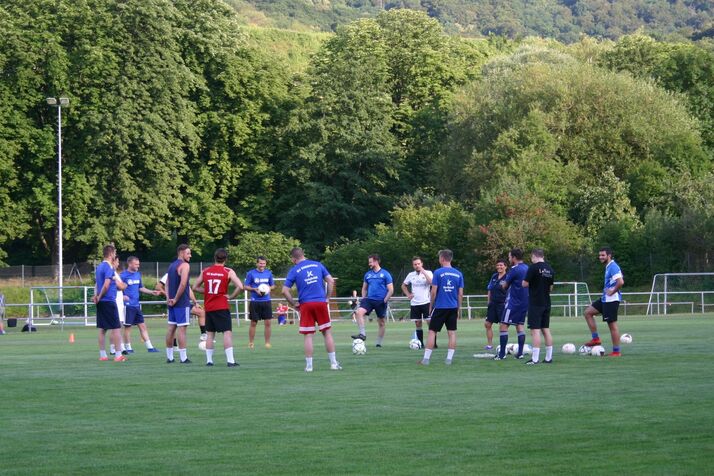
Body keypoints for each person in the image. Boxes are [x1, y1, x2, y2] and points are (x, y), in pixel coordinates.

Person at [281, 247, 341, 372]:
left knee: (308, 335)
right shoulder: (318, 264)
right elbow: (330, 281)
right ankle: (334, 364)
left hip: (306, 304)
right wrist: (327, 298)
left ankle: (309, 367)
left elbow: (284, 291)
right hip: (320, 302)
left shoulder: (294, 270)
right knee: (327, 333)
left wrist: (293, 304)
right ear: (303, 255)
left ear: (293, 259)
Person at [192, 248, 243, 367]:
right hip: (222, 306)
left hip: (209, 307)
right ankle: (230, 361)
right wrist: (231, 297)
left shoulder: (206, 271)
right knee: (227, 333)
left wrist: (208, 292)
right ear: (225, 259)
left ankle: (209, 361)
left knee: (210, 334)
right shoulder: (228, 271)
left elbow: (194, 287)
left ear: (215, 258)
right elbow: (240, 286)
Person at [419, 249, 463, 366]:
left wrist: (431, 305)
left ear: (442, 259)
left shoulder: (438, 272)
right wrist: (458, 308)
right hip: (453, 307)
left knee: (432, 332)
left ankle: (426, 360)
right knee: (452, 333)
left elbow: (433, 292)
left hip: (440, 307)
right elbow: (460, 294)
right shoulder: (458, 274)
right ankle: (449, 359)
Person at [583, 247, 625, 357]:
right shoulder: (608, 266)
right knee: (588, 312)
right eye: (600, 255)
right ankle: (596, 339)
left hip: (611, 300)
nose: (600, 257)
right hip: (605, 299)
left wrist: (612, 291)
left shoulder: (613, 267)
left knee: (612, 326)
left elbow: (620, 282)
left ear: (609, 255)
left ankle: (616, 351)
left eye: (603, 255)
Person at [92, 244, 127, 362]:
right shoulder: (109, 267)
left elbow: (97, 284)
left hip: (101, 302)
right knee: (116, 328)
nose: (115, 255)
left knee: (102, 329)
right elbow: (106, 285)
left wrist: (96, 296)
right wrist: (100, 296)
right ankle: (118, 355)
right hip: (108, 301)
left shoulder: (99, 267)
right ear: (111, 254)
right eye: (115, 252)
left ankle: (103, 355)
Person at [351, 254, 394, 347]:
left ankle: (378, 343)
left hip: (381, 301)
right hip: (369, 300)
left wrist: (385, 300)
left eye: (370, 262)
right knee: (358, 312)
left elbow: (391, 290)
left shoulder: (385, 274)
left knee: (381, 322)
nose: (369, 264)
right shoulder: (368, 274)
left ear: (376, 261)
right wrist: (363, 298)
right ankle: (362, 334)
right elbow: (364, 288)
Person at [120, 256, 161, 353]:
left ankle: (150, 347)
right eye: (136, 264)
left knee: (142, 326)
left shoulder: (138, 274)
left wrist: (152, 292)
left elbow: (141, 288)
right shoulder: (123, 275)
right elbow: (116, 289)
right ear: (129, 264)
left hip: (136, 305)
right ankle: (128, 348)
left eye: (138, 264)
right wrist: (122, 297)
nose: (138, 266)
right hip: (128, 306)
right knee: (128, 327)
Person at [494, 248, 529, 361]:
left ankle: (502, 354)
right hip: (524, 301)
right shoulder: (527, 268)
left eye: (509, 257)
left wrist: (503, 284)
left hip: (513, 302)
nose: (509, 259)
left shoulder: (514, 269)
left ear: (514, 257)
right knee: (519, 325)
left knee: (503, 325)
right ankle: (520, 353)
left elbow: (505, 285)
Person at [164, 244, 196, 364]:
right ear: (181, 253)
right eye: (188, 253)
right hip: (181, 303)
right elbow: (183, 284)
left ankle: (170, 357)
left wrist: (169, 298)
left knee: (171, 328)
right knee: (182, 329)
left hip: (171, 302)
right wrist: (176, 299)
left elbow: (166, 284)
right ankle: (183, 358)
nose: (190, 255)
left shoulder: (171, 266)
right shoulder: (185, 265)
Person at [156, 270, 205, 347]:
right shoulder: (169, 274)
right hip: (174, 304)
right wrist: (168, 295)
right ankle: (175, 345)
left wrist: (195, 302)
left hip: (184, 303)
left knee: (201, 312)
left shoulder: (184, 274)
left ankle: (204, 335)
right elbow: (158, 287)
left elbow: (188, 289)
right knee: (174, 325)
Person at [522, 249, 555, 365]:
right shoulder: (550, 269)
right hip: (547, 302)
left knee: (535, 331)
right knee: (545, 329)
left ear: (534, 256)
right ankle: (548, 358)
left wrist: (535, 283)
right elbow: (551, 288)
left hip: (535, 302)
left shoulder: (533, 267)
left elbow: (524, 283)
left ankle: (535, 359)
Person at [401, 256, 433, 349]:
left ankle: (432, 343)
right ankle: (420, 343)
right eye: (415, 264)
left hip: (426, 302)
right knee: (418, 323)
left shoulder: (428, 273)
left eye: (419, 264)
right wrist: (408, 294)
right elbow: (403, 285)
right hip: (415, 303)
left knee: (429, 322)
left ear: (422, 264)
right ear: (413, 265)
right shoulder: (411, 275)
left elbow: (431, 283)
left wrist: (424, 272)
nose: (417, 266)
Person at [244, 256, 275, 349]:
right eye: (260, 263)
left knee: (268, 323)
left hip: (266, 301)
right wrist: (254, 289)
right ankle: (251, 342)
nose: (262, 265)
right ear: (257, 263)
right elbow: (245, 286)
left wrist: (269, 288)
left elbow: (273, 285)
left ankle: (267, 343)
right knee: (253, 322)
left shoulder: (268, 273)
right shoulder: (251, 273)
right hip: (255, 301)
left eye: (264, 263)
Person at [484, 259, 508, 350]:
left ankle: (503, 346)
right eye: (497, 265)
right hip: (492, 304)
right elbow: (489, 289)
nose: (499, 267)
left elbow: (510, 291)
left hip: (502, 304)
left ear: (505, 266)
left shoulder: (508, 277)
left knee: (503, 326)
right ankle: (490, 345)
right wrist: (489, 301)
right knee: (487, 324)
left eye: (501, 265)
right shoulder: (494, 276)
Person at [110, 256, 128, 355]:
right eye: (117, 262)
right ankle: (119, 348)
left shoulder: (115, 273)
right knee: (117, 326)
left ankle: (114, 347)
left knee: (116, 326)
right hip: (115, 303)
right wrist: (125, 285)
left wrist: (123, 296)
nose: (118, 264)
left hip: (118, 302)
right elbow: (120, 286)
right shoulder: (112, 272)